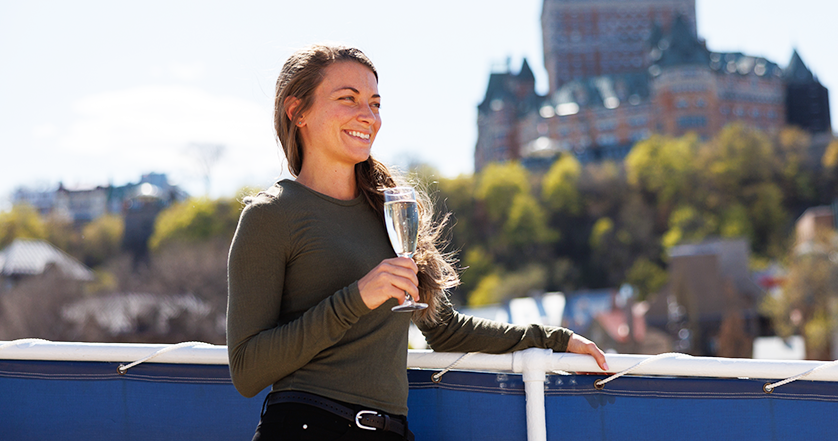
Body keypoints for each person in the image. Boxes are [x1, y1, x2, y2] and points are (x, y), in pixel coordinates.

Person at [227, 43, 608, 440]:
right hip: (305, 428)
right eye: (348, 99)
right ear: (297, 111)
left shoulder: (390, 211)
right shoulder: (268, 216)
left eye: (375, 103)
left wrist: (556, 340)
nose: (368, 115)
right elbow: (247, 370)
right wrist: (356, 298)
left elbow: (445, 330)